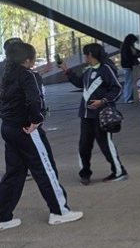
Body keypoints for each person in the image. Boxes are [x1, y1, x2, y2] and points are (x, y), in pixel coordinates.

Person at [0, 41, 83, 230]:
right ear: (28, 59)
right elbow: (34, 100)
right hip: (28, 129)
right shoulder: (29, 75)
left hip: (9, 127)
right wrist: (36, 120)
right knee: (45, 168)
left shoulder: (7, 74)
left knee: (14, 172)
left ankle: (2, 216)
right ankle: (59, 211)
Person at [60, 43, 126, 185]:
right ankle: (85, 173)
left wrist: (102, 101)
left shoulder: (106, 69)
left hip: (102, 115)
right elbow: (80, 83)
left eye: (85, 54)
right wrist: (67, 71)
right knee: (84, 145)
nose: (84, 57)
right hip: (86, 114)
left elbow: (117, 89)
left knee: (105, 145)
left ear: (90, 54)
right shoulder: (88, 70)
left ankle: (119, 171)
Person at [120, 34, 140, 103]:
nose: (134, 42)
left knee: (128, 82)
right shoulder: (127, 47)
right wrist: (135, 57)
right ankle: (127, 98)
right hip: (128, 66)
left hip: (126, 66)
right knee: (128, 82)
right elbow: (128, 57)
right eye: (133, 41)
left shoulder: (126, 46)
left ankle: (127, 97)